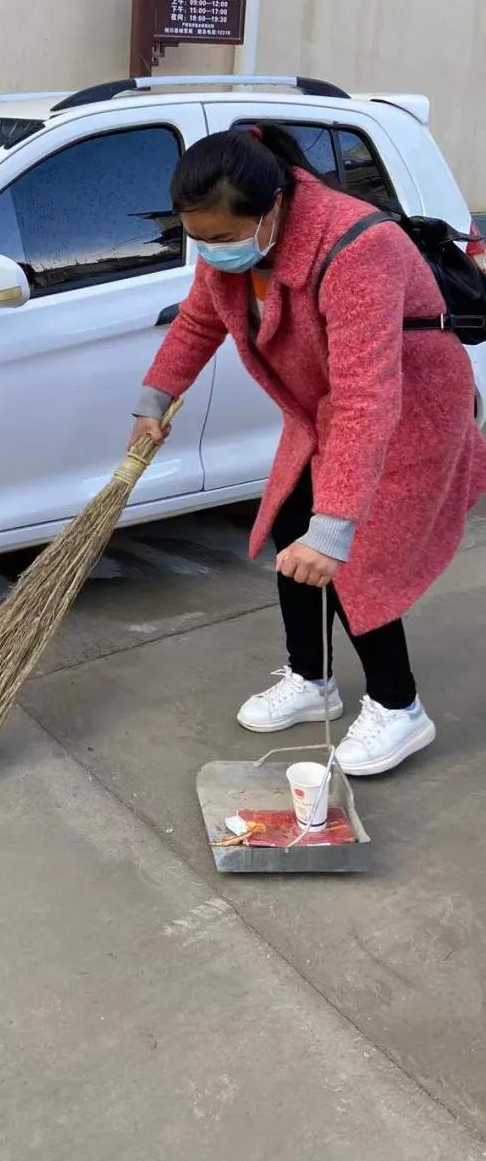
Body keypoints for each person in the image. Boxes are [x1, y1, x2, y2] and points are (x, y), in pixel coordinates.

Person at [131, 125, 486, 776]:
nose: (211, 252)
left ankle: (399, 707)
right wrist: (157, 396)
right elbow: (201, 318)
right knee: (292, 532)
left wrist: (337, 526)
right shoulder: (231, 238)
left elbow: (367, 397)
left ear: (270, 208)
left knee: (353, 555)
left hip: (409, 408)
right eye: (199, 238)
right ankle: (311, 677)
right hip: (324, 406)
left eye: (222, 238)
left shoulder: (358, 246)